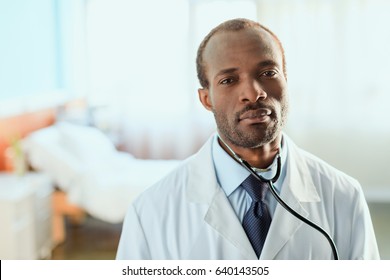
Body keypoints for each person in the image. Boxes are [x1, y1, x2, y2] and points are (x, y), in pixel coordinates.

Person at [116, 18, 380, 260]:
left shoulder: (343, 195)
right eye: (229, 80)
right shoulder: (150, 212)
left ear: (286, 80)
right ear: (206, 99)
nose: (253, 94)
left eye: (267, 73)